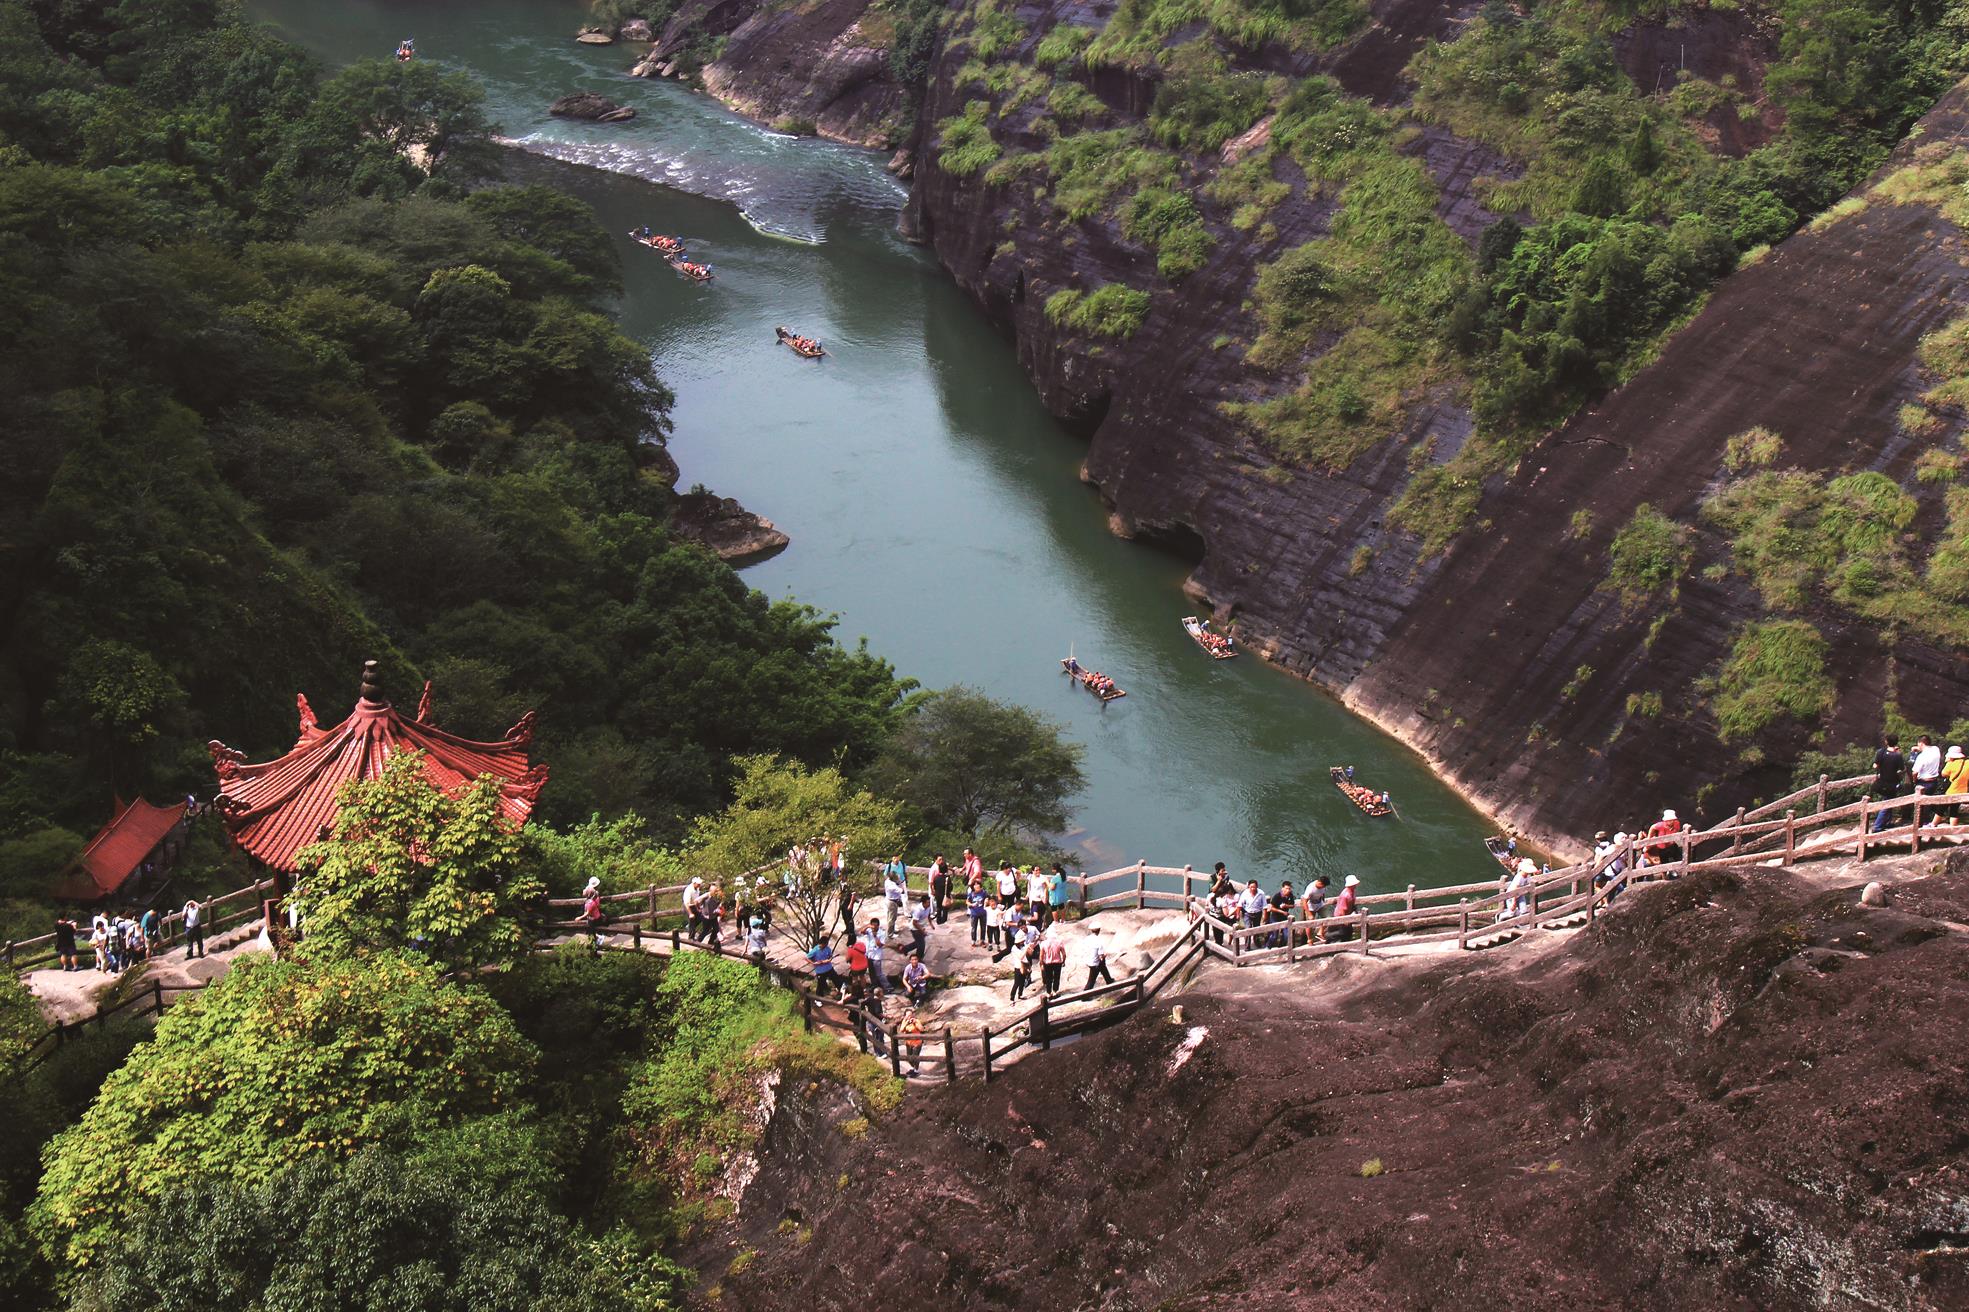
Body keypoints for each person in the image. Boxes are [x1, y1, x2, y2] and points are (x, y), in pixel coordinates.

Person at [1871, 735, 1907, 832]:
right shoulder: (1898, 755)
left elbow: (1875, 766)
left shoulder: (1881, 752)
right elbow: (1902, 769)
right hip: (1892, 782)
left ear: (1886, 742)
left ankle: (1886, 822)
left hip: (1882, 781)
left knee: (1888, 801)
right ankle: (1878, 826)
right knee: (1887, 803)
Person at [1913, 734, 1944, 823]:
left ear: (1921, 743)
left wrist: (1914, 780)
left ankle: (1922, 824)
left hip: (1923, 782)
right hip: (1934, 781)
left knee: (1922, 805)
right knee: (1928, 802)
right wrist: (1916, 748)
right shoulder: (1936, 750)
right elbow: (1927, 748)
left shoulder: (1921, 757)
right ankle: (1927, 821)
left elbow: (1915, 772)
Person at [861, 918, 889, 994]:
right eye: (872, 925)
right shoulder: (869, 930)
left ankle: (887, 987)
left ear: (878, 925)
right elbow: (862, 932)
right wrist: (867, 926)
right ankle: (874, 985)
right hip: (869, 955)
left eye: (875, 926)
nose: (874, 927)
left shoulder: (882, 933)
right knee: (871, 972)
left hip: (877, 955)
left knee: (879, 973)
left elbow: (880, 945)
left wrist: (875, 936)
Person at [1943, 745, 1969, 824]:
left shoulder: (1951, 764)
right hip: (1964, 790)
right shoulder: (1967, 762)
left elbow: (1943, 774)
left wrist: (1947, 761)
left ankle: (1933, 824)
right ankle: (1953, 828)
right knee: (1954, 810)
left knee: (1941, 809)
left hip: (1951, 790)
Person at [1300, 876, 1329, 945]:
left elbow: (1323, 893)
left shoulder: (1323, 886)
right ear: (1319, 882)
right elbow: (1304, 901)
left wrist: (1323, 901)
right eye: (1323, 885)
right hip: (1310, 905)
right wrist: (1308, 913)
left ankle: (1320, 932)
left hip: (1319, 904)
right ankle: (1309, 940)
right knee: (1310, 923)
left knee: (1328, 918)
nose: (1323, 887)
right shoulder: (1311, 888)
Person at [1330, 875, 1359, 941]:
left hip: (1348, 914)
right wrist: (1345, 920)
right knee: (1343, 932)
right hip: (1342, 915)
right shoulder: (1345, 895)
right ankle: (1329, 937)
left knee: (1348, 931)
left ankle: (1345, 944)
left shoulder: (1351, 891)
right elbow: (1342, 909)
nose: (1355, 885)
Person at [883, 861, 907, 941]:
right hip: (892, 902)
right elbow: (902, 890)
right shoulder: (892, 886)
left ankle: (892, 929)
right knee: (891, 918)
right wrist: (900, 882)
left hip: (891, 901)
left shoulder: (887, 881)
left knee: (892, 917)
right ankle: (890, 934)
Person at [1039, 928, 1067, 994]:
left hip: (1047, 963)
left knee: (1048, 978)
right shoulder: (1059, 942)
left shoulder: (1043, 943)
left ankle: (1049, 992)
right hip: (1057, 962)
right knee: (1057, 977)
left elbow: (1041, 956)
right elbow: (1064, 954)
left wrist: (1041, 964)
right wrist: (1063, 961)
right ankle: (1055, 991)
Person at [900, 1008, 926, 1077]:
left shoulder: (916, 1021)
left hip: (917, 1043)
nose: (910, 1017)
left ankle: (916, 1070)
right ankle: (912, 1068)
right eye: (908, 1016)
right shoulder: (904, 1021)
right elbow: (901, 1030)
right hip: (908, 1043)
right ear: (905, 1016)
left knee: (915, 1057)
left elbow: (922, 1029)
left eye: (911, 1015)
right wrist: (906, 1023)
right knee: (909, 1057)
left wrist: (915, 1023)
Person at [1009, 934, 1033, 1002]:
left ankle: (1020, 994)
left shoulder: (1023, 946)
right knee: (1016, 983)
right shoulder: (1014, 948)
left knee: (1022, 982)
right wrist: (1026, 949)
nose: (1023, 942)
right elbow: (1021, 957)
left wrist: (1030, 948)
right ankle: (1012, 998)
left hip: (1024, 965)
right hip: (1018, 967)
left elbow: (1030, 953)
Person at [928, 855, 951, 923]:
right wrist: (932, 890)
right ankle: (943, 919)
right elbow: (930, 882)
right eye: (939, 859)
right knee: (944, 907)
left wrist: (934, 890)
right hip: (944, 894)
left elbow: (934, 884)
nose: (941, 861)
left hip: (938, 893)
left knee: (938, 906)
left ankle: (938, 919)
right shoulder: (934, 869)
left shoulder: (936, 877)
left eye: (942, 859)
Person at [908, 894, 932, 959]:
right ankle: (918, 959)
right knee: (921, 945)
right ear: (923, 903)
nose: (929, 904)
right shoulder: (918, 910)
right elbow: (914, 923)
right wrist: (922, 930)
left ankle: (905, 949)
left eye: (929, 902)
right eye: (928, 902)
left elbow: (929, 915)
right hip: (915, 928)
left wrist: (931, 924)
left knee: (918, 942)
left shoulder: (928, 907)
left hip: (921, 926)